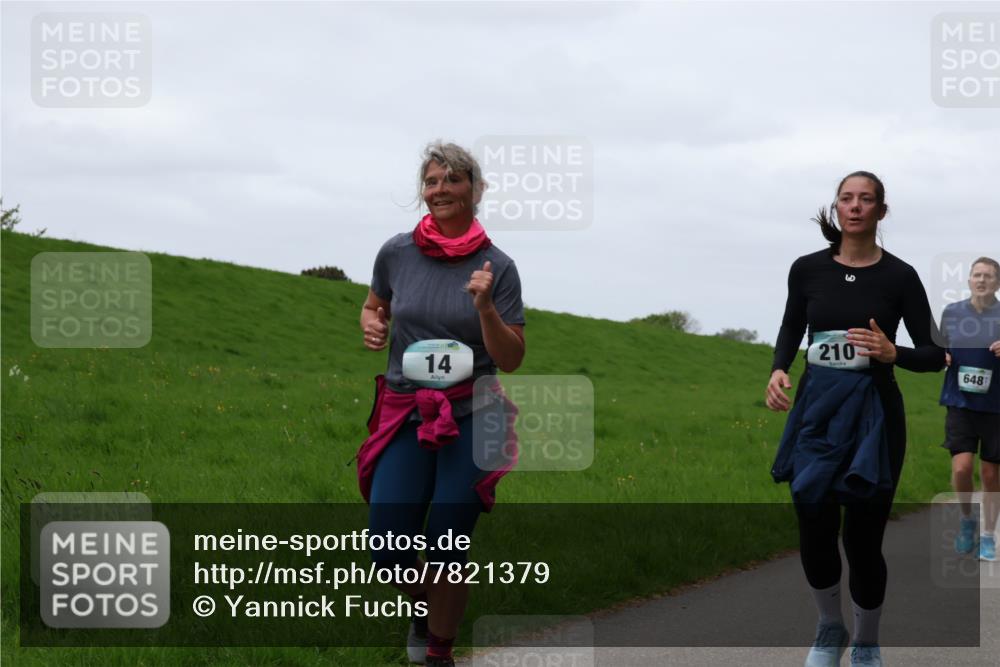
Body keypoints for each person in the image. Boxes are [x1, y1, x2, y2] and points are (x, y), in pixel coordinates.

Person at [355, 141, 525, 667]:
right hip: (407, 411)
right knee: (387, 545)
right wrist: (371, 322)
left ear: (475, 190)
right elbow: (373, 304)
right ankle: (430, 611)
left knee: (449, 542)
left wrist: (484, 310)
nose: (440, 190)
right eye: (431, 182)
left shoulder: (498, 266)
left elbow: (512, 357)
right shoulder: (396, 253)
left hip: (473, 413)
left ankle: (438, 653)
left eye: (452, 180)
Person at [766, 171, 944, 667]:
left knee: (862, 540)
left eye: (867, 199)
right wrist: (779, 368)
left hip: (875, 416)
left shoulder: (900, 277)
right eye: (847, 198)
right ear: (837, 208)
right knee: (813, 524)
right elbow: (790, 326)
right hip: (816, 412)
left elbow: (934, 354)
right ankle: (829, 628)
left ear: (881, 212)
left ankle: (867, 641)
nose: (856, 206)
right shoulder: (806, 270)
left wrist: (893, 351)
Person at [939, 257, 1000, 561]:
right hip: (960, 401)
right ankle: (967, 520)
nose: (981, 280)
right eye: (977, 275)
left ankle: (988, 535)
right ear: (968, 281)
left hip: (996, 406)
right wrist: (943, 357)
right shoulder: (952, 313)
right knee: (962, 468)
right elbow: (940, 349)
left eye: (988, 276)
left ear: (997, 283)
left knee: (990, 475)